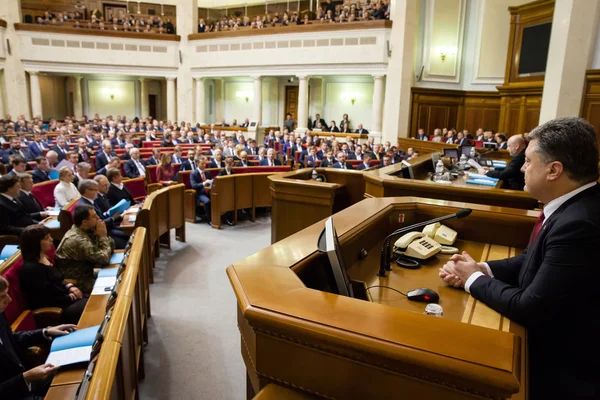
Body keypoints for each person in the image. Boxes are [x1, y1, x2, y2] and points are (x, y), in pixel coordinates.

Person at [439, 117, 600, 400]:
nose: (521, 168)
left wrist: (472, 280)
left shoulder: (579, 224)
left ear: (554, 170)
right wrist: (481, 269)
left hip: (561, 367)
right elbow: (530, 261)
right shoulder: (574, 207)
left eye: (527, 161)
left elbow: (530, 308)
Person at [0, 274, 77, 399]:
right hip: (13, 393)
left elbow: (11, 339)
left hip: (26, 381)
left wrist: (46, 332)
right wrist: (25, 378)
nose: (9, 300)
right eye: (2, 297)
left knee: (73, 372)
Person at [18, 225, 87, 324]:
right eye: (46, 238)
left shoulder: (44, 257)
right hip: (54, 310)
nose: (51, 240)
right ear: (35, 244)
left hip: (64, 299)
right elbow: (46, 297)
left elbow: (58, 279)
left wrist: (69, 287)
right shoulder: (31, 269)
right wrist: (71, 297)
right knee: (90, 307)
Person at [55, 205, 114, 295]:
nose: (98, 218)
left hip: (88, 272)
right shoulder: (77, 239)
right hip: (78, 281)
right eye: (94, 216)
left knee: (117, 273)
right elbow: (104, 259)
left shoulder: (86, 229)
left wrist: (102, 235)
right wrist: (103, 237)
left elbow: (111, 248)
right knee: (115, 286)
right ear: (85, 222)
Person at [190, 157, 212, 224]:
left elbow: (210, 181)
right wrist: (203, 183)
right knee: (207, 201)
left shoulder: (207, 172)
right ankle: (209, 220)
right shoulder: (193, 174)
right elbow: (193, 185)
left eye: (204, 163)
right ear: (197, 164)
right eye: (202, 164)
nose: (204, 165)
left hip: (208, 191)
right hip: (199, 193)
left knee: (217, 197)